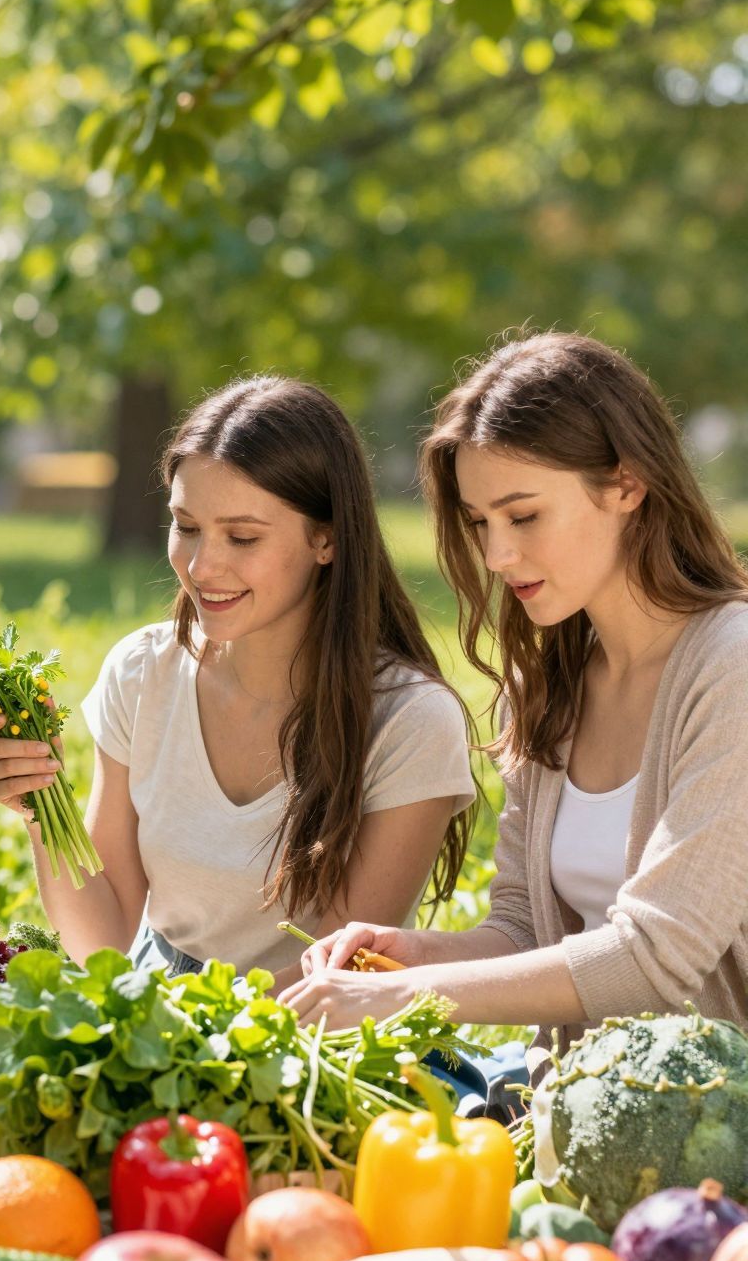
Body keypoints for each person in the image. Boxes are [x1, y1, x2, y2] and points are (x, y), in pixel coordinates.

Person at [287, 333, 748, 1039]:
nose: (498, 555)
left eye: (524, 515)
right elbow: (529, 925)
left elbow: (659, 953)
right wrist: (409, 960)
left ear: (627, 483)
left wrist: (406, 997)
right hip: (566, 1113)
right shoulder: (547, 686)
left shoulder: (732, 666)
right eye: (480, 523)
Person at [0, 377, 477, 990]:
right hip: (159, 999)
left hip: (314, 1031)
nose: (202, 565)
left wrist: (193, 1038)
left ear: (328, 538)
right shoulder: (142, 675)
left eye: (242, 537)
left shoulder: (410, 721)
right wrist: (40, 808)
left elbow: (339, 973)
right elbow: (101, 943)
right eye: (185, 527)